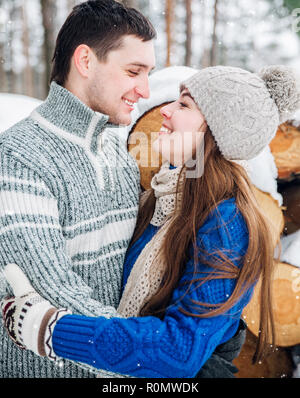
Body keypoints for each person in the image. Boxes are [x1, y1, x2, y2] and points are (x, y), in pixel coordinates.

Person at [3, 65, 300, 378]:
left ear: (217, 132)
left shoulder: (227, 224)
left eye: (184, 104)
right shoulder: (162, 199)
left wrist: (51, 329)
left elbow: (177, 350)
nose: (167, 111)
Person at [0, 0, 156, 378]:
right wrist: (152, 357)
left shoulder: (118, 155)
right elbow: (51, 291)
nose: (146, 90)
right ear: (85, 61)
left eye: (149, 73)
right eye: (134, 71)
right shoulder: (18, 158)